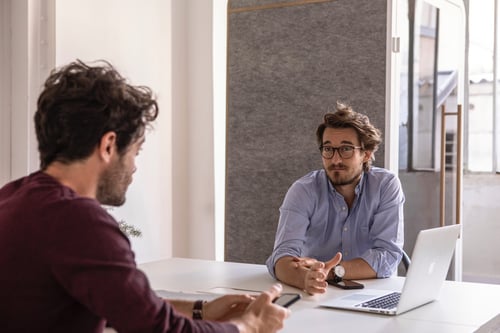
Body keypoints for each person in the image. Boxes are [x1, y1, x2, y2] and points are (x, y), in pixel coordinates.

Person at [0, 60, 289, 333]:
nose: (134, 166)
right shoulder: (77, 221)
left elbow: (125, 305)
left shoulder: (14, 197)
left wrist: (201, 310)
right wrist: (250, 326)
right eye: (135, 151)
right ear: (109, 145)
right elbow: (161, 330)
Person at [266, 102, 405, 295]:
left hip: (370, 292)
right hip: (317, 295)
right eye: (328, 149)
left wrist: (330, 272)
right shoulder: (303, 190)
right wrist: (306, 279)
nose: (335, 160)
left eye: (346, 149)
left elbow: (388, 256)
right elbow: (281, 258)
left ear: (366, 154)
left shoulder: (385, 185)